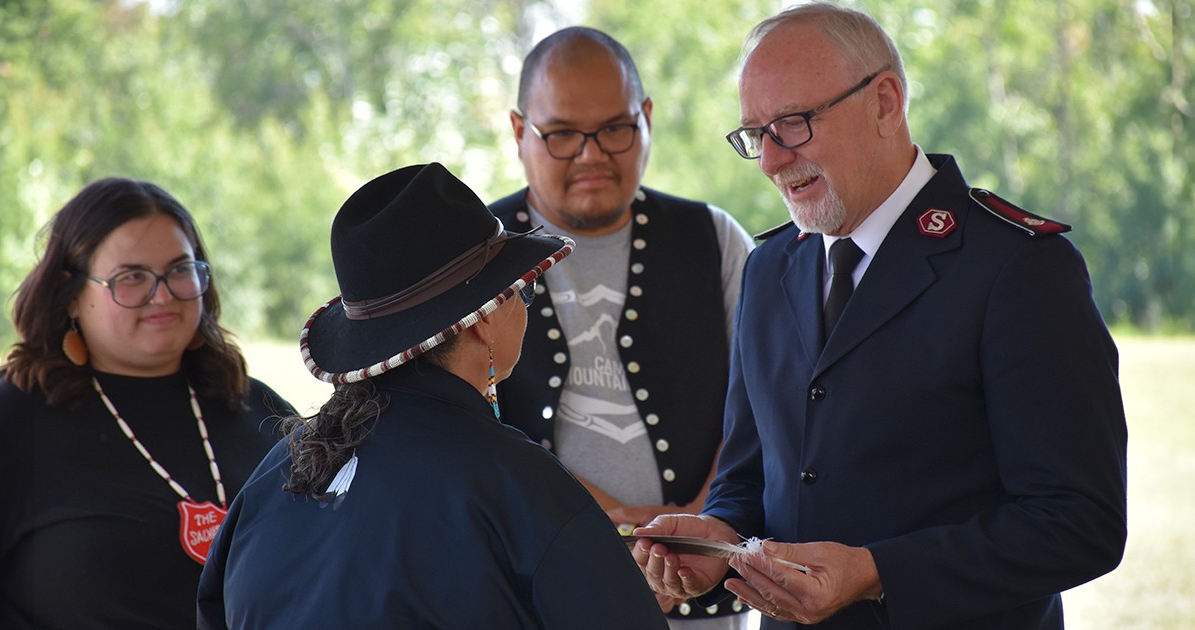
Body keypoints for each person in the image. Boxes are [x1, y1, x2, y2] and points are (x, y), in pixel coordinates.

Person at [632, 4, 1128, 629]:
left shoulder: (1018, 267)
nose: (770, 161)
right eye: (756, 134)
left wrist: (876, 574)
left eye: (792, 124)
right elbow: (751, 476)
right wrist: (717, 538)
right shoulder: (770, 269)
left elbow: (1081, 522)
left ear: (886, 103)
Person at [196, 162, 668, 629]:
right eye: (522, 293)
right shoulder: (512, 481)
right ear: (482, 317)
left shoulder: (276, 471)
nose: (527, 306)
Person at [490, 26, 755, 629]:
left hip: (702, 602)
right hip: (532, 602)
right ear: (518, 131)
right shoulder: (475, 259)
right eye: (561, 134)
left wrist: (699, 524)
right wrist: (623, 535)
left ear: (648, 118)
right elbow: (458, 427)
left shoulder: (714, 240)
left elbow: (766, 403)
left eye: (615, 128)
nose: (591, 154)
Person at [0, 178, 293, 628]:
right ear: (71, 294)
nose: (163, 295)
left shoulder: (261, 410)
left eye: (180, 269)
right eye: (131, 277)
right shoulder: (12, 421)